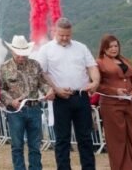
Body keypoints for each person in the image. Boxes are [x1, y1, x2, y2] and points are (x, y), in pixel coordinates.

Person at [34, 17, 99, 170]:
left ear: (71, 33)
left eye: (67, 35)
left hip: (81, 96)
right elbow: (41, 73)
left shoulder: (81, 47)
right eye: (61, 35)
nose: (64, 38)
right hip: (60, 99)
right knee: (62, 139)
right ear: (54, 31)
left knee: (85, 138)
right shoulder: (46, 49)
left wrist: (95, 81)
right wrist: (55, 89)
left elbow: (92, 67)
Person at [0, 35, 51, 170]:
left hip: (34, 109)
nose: (21, 57)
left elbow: (42, 83)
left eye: (24, 54)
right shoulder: (4, 68)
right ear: (12, 51)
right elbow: (0, 89)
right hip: (15, 111)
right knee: (17, 146)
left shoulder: (35, 65)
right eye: (18, 54)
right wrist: (10, 101)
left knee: (35, 146)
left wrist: (48, 91)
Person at [95, 34, 132, 170]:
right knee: (117, 139)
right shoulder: (99, 62)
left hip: (129, 104)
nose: (114, 49)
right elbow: (97, 85)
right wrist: (115, 91)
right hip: (111, 105)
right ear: (104, 48)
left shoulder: (125, 60)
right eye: (110, 47)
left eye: (116, 46)